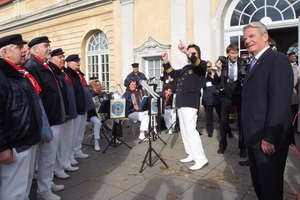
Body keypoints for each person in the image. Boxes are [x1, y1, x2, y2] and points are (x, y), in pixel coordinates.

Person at [242, 21, 295, 200]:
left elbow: (280, 101)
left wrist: (270, 137)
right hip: (254, 137)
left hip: (267, 139)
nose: (247, 41)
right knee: (260, 186)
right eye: (245, 38)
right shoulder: (254, 62)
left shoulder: (277, 60)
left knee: (270, 189)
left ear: (265, 36)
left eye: (251, 36)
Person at [0, 34, 52, 200]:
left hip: (28, 139)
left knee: (24, 189)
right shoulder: (3, 76)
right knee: (13, 191)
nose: (24, 50)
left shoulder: (19, 74)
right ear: (5, 53)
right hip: (15, 145)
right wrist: (2, 147)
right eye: (18, 47)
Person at [25, 36, 66, 200]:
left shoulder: (43, 65)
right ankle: (43, 190)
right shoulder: (33, 66)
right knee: (46, 157)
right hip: (48, 120)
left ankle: (47, 183)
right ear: (35, 49)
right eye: (46, 46)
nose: (49, 48)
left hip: (54, 117)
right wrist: (44, 124)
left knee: (48, 157)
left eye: (49, 45)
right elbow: (38, 99)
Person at [162, 41, 208, 170]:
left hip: (190, 102)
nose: (191, 55)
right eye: (190, 53)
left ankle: (201, 158)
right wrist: (165, 61)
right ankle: (191, 154)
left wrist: (187, 51)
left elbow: (197, 62)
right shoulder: (186, 68)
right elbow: (172, 73)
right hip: (181, 102)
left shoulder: (201, 66)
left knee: (191, 130)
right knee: (185, 130)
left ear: (198, 55)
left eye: (194, 53)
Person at [48, 48, 80, 179]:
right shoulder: (53, 73)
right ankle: (58, 167)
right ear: (51, 58)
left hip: (68, 112)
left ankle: (64, 163)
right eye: (59, 57)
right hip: (60, 114)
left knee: (66, 141)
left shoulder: (61, 73)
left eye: (63, 56)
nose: (62, 59)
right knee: (58, 146)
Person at [214, 44, 246, 158]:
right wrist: (218, 69)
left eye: (236, 53)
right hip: (226, 95)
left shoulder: (242, 61)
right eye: (232, 53)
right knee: (223, 121)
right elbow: (216, 80)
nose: (235, 55)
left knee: (242, 121)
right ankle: (223, 144)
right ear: (228, 54)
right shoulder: (222, 63)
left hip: (239, 93)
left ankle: (242, 147)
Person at [65, 54, 95, 165]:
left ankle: (77, 150)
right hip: (77, 107)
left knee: (80, 131)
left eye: (79, 61)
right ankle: (71, 154)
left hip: (84, 106)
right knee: (73, 133)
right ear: (69, 63)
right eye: (75, 61)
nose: (78, 63)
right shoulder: (69, 74)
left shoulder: (79, 74)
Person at [201, 60, 222, 137]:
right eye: (206, 67)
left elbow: (220, 83)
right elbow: (202, 86)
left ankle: (227, 131)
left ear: (211, 66)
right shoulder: (203, 75)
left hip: (216, 98)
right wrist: (205, 76)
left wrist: (213, 77)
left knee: (221, 116)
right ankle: (210, 132)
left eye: (209, 67)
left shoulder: (216, 72)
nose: (208, 68)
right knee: (209, 117)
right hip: (207, 100)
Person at [288, 52, 299, 133]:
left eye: (294, 56)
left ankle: (295, 125)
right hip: (289, 91)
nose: (294, 57)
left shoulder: (297, 66)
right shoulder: (287, 65)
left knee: (295, 109)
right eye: (292, 56)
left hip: (296, 91)